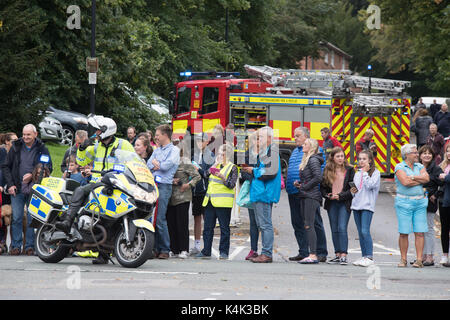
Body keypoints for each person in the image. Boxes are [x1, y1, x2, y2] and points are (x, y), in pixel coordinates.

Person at [55, 115, 135, 264]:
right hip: (97, 183)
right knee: (80, 190)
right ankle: (68, 222)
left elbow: (134, 161)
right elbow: (82, 161)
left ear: (106, 131)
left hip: (117, 184)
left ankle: (104, 253)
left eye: (98, 130)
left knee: (111, 219)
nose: (96, 133)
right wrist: (82, 148)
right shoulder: (97, 146)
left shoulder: (123, 145)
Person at [2, 124, 53, 256]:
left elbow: (48, 167)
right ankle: (16, 246)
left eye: (28, 134)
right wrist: (11, 184)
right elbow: (6, 166)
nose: (25, 137)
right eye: (24, 134)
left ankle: (30, 246)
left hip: (35, 189)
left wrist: (33, 173)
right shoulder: (15, 146)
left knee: (32, 219)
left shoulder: (42, 148)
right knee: (17, 218)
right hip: (17, 188)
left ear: (35, 134)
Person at [286, 127, 328, 262]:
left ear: (306, 137)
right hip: (294, 192)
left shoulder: (316, 152)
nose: (295, 138)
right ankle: (303, 251)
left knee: (314, 223)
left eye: (298, 136)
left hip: (308, 193)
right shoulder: (294, 152)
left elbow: (319, 174)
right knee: (298, 223)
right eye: (294, 136)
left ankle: (320, 252)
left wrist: (305, 186)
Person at [242, 127, 281, 263]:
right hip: (260, 193)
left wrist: (254, 170)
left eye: (261, 137)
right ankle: (265, 252)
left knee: (265, 225)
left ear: (270, 138)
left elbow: (270, 173)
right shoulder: (266, 152)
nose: (259, 140)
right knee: (262, 224)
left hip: (264, 193)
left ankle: (267, 253)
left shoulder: (272, 152)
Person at [196, 143, 238, 260]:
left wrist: (223, 178)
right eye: (218, 153)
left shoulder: (232, 167)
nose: (219, 156)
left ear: (227, 155)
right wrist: (206, 168)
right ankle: (206, 251)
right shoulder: (216, 165)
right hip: (210, 200)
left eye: (221, 154)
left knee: (224, 228)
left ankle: (223, 252)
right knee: (208, 227)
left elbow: (231, 185)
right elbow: (205, 175)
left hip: (223, 203)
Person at [147, 124, 180, 259]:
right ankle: (154, 248)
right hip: (152, 185)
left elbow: (166, 166)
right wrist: (157, 165)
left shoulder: (174, 150)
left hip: (164, 186)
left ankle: (165, 249)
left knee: (160, 218)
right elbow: (148, 165)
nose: (156, 137)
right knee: (150, 218)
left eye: (158, 135)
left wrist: (157, 165)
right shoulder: (156, 149)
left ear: (165, 135)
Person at [394, 144, 429, 268]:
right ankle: (403, 259)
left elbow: (427, 179)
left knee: (419, 232)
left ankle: (419, 260)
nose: (417, 155)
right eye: (414, 152)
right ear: (406, 155)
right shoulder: (399, 167)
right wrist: (419, 180)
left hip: (420, 203)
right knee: (404, 232)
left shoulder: (419, 166)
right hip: (404, 203)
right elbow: (405, 182)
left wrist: (413, 177)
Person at [321, 147, 355, 265]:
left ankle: (344, 255)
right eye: (338, 156)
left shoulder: (350, 170)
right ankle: (337, 254)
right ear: (333, 158)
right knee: (334, 229)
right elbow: (323, 187)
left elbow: (353, 189)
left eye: (342, 156)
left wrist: (340, 196)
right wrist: (327, 195)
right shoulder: (327, 169)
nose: (341, 158)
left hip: (344, 202)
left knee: (342, 227)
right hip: (332, 203)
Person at [167, 141, 201, 259]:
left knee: (182, 223)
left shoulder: (185, 162)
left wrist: (188, 185)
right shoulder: (169, 161)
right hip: (170, 197)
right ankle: (174, 249)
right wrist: (172, 181)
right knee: (171, 223)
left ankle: (184, 249)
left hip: (183, 197)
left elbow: (197, 176)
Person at [294, 138, 323, 264]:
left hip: (311, 196)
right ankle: (312, 254)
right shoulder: (307, 159)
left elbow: (318, 177)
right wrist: (300, 184)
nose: (303, 145)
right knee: (307, 224)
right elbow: (310, 178)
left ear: (311, 147)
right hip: (306, 194)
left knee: (309, 225)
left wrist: (304, 186)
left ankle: (313, 254)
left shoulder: (313, 160)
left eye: (306, 144)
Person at [350, 150, 380, 267]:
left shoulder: (375, 173)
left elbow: (371, 185)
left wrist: (366, 173)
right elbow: (358, 189)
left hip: (367, 206)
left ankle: (369, 256)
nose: (361, 161)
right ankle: (363, 256)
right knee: (360, 232)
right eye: (360, 159)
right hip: (356, 205)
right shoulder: (357, 173)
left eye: (364, 159)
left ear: (370, 161)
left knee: (365, 230)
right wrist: (353, 191)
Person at [418, 145, 443, 266]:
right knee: (419, 230)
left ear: (432, 156)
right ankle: (421, 256)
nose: (427, 155)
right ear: (420, 155)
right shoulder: (417, 168)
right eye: (424, 153)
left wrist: (436, 195)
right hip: (417, 201)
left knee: (428, 228)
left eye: (429, 153)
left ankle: (430, 256)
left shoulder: (436, 169)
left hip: (429, 202)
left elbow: (444, 184)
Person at [190, 132, 213, 255]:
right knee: (196, 218)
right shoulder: (194, 154)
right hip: (195, 190)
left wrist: (198, 169)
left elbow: (208, 173)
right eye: (198, 140)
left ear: (207, 141)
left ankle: (206, 246)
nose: (199, 143)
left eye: (202, 140)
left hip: (206, 191)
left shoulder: (210, 155)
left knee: (207, 219)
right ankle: (197, 245)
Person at [241, 130, 259, 260]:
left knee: (264, 222)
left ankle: (266, 250)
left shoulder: (266, 154)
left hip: (264, 192)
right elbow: (244, 172)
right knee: (253, 222)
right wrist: (256, 177)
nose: (255, 142)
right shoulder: (247, 155)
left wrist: (255, 174)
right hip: (252, 190)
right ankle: (253, 249)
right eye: (253, 139)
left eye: (257, 139)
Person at [438, 142, 450, 266]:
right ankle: (445, 255)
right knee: (444, 228)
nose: (449, 153)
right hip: (444, 201)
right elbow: (437, 179)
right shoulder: (443, 165)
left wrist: (445, 177)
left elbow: (445, 178)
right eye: (447, 151)